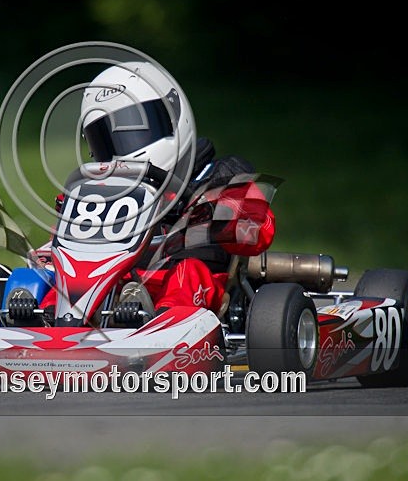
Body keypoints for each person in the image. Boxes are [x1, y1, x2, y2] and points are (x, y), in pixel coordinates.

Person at [40, 62, 276, 325]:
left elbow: (259, 228)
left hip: (193, 285)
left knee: (188, 273)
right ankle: (47, 319)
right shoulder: (106, 191)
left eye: (135, 129)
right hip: (120, 282)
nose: (124, 149)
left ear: (174, 116)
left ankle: (165, 323)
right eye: (107, 139)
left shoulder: (220, 175)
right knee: (51, 277)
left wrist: (219, 214)